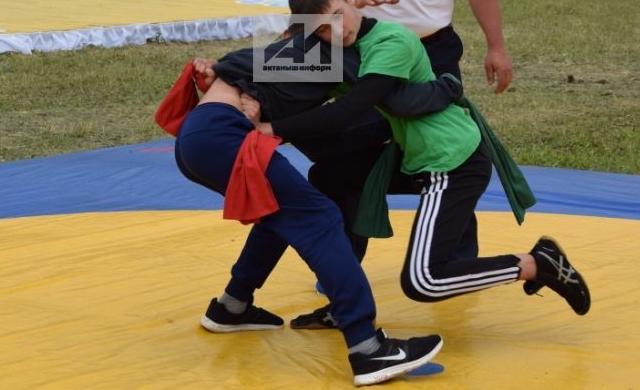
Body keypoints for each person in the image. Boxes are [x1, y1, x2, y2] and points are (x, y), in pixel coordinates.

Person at [265, 0, 590, 317]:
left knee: (424, 281)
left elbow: (351, 110)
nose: (335, 32)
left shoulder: (390, 41)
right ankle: (348, 299)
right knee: (330, 177)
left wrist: (271, 128)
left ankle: (538, 263)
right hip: (418, 159)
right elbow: (272, 66)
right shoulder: (343, 52)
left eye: (336, 17)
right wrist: (222, 70)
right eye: (321, 31)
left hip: (452, 162)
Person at [293, 0, 513, 323]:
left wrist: (497, 46)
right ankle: (347, 277)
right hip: (366, 54)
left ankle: (454, 261)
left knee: (440, 153)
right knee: (353, 160)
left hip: (433, 52)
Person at [166, 57, 445, 386]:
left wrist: (221, 72)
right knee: (321, 216)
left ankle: (232, 305)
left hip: (200, 136)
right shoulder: (319, 53)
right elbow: (362, 99)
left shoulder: (289, 58)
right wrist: (444, 90)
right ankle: (367, 348)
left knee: (281, 210)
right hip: (220, 135)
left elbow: (313, 122)